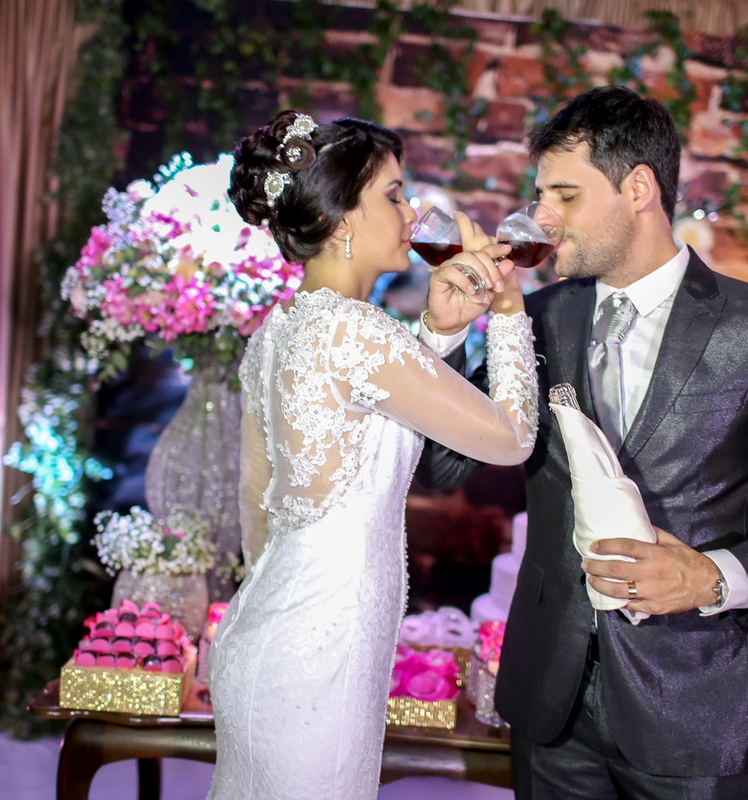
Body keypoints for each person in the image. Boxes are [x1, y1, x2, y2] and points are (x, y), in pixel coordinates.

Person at [417, 85, 748, 799]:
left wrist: (713, 577)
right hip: (551, 704)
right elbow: (439, 467)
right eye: (540, 196)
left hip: (697, 708)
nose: (541, 218)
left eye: (565, 196)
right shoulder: (533, 319)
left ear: (638, 188)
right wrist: (442, 336)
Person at [205, 110, 539, 800]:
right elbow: (512, 438)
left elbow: (259, 507)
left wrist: (439, 332)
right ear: (340, 221)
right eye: (393, 194)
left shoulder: (278, 332)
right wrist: (508, 310)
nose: (411, 212)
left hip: (271, 633)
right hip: (318, 660)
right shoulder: (355, 331)